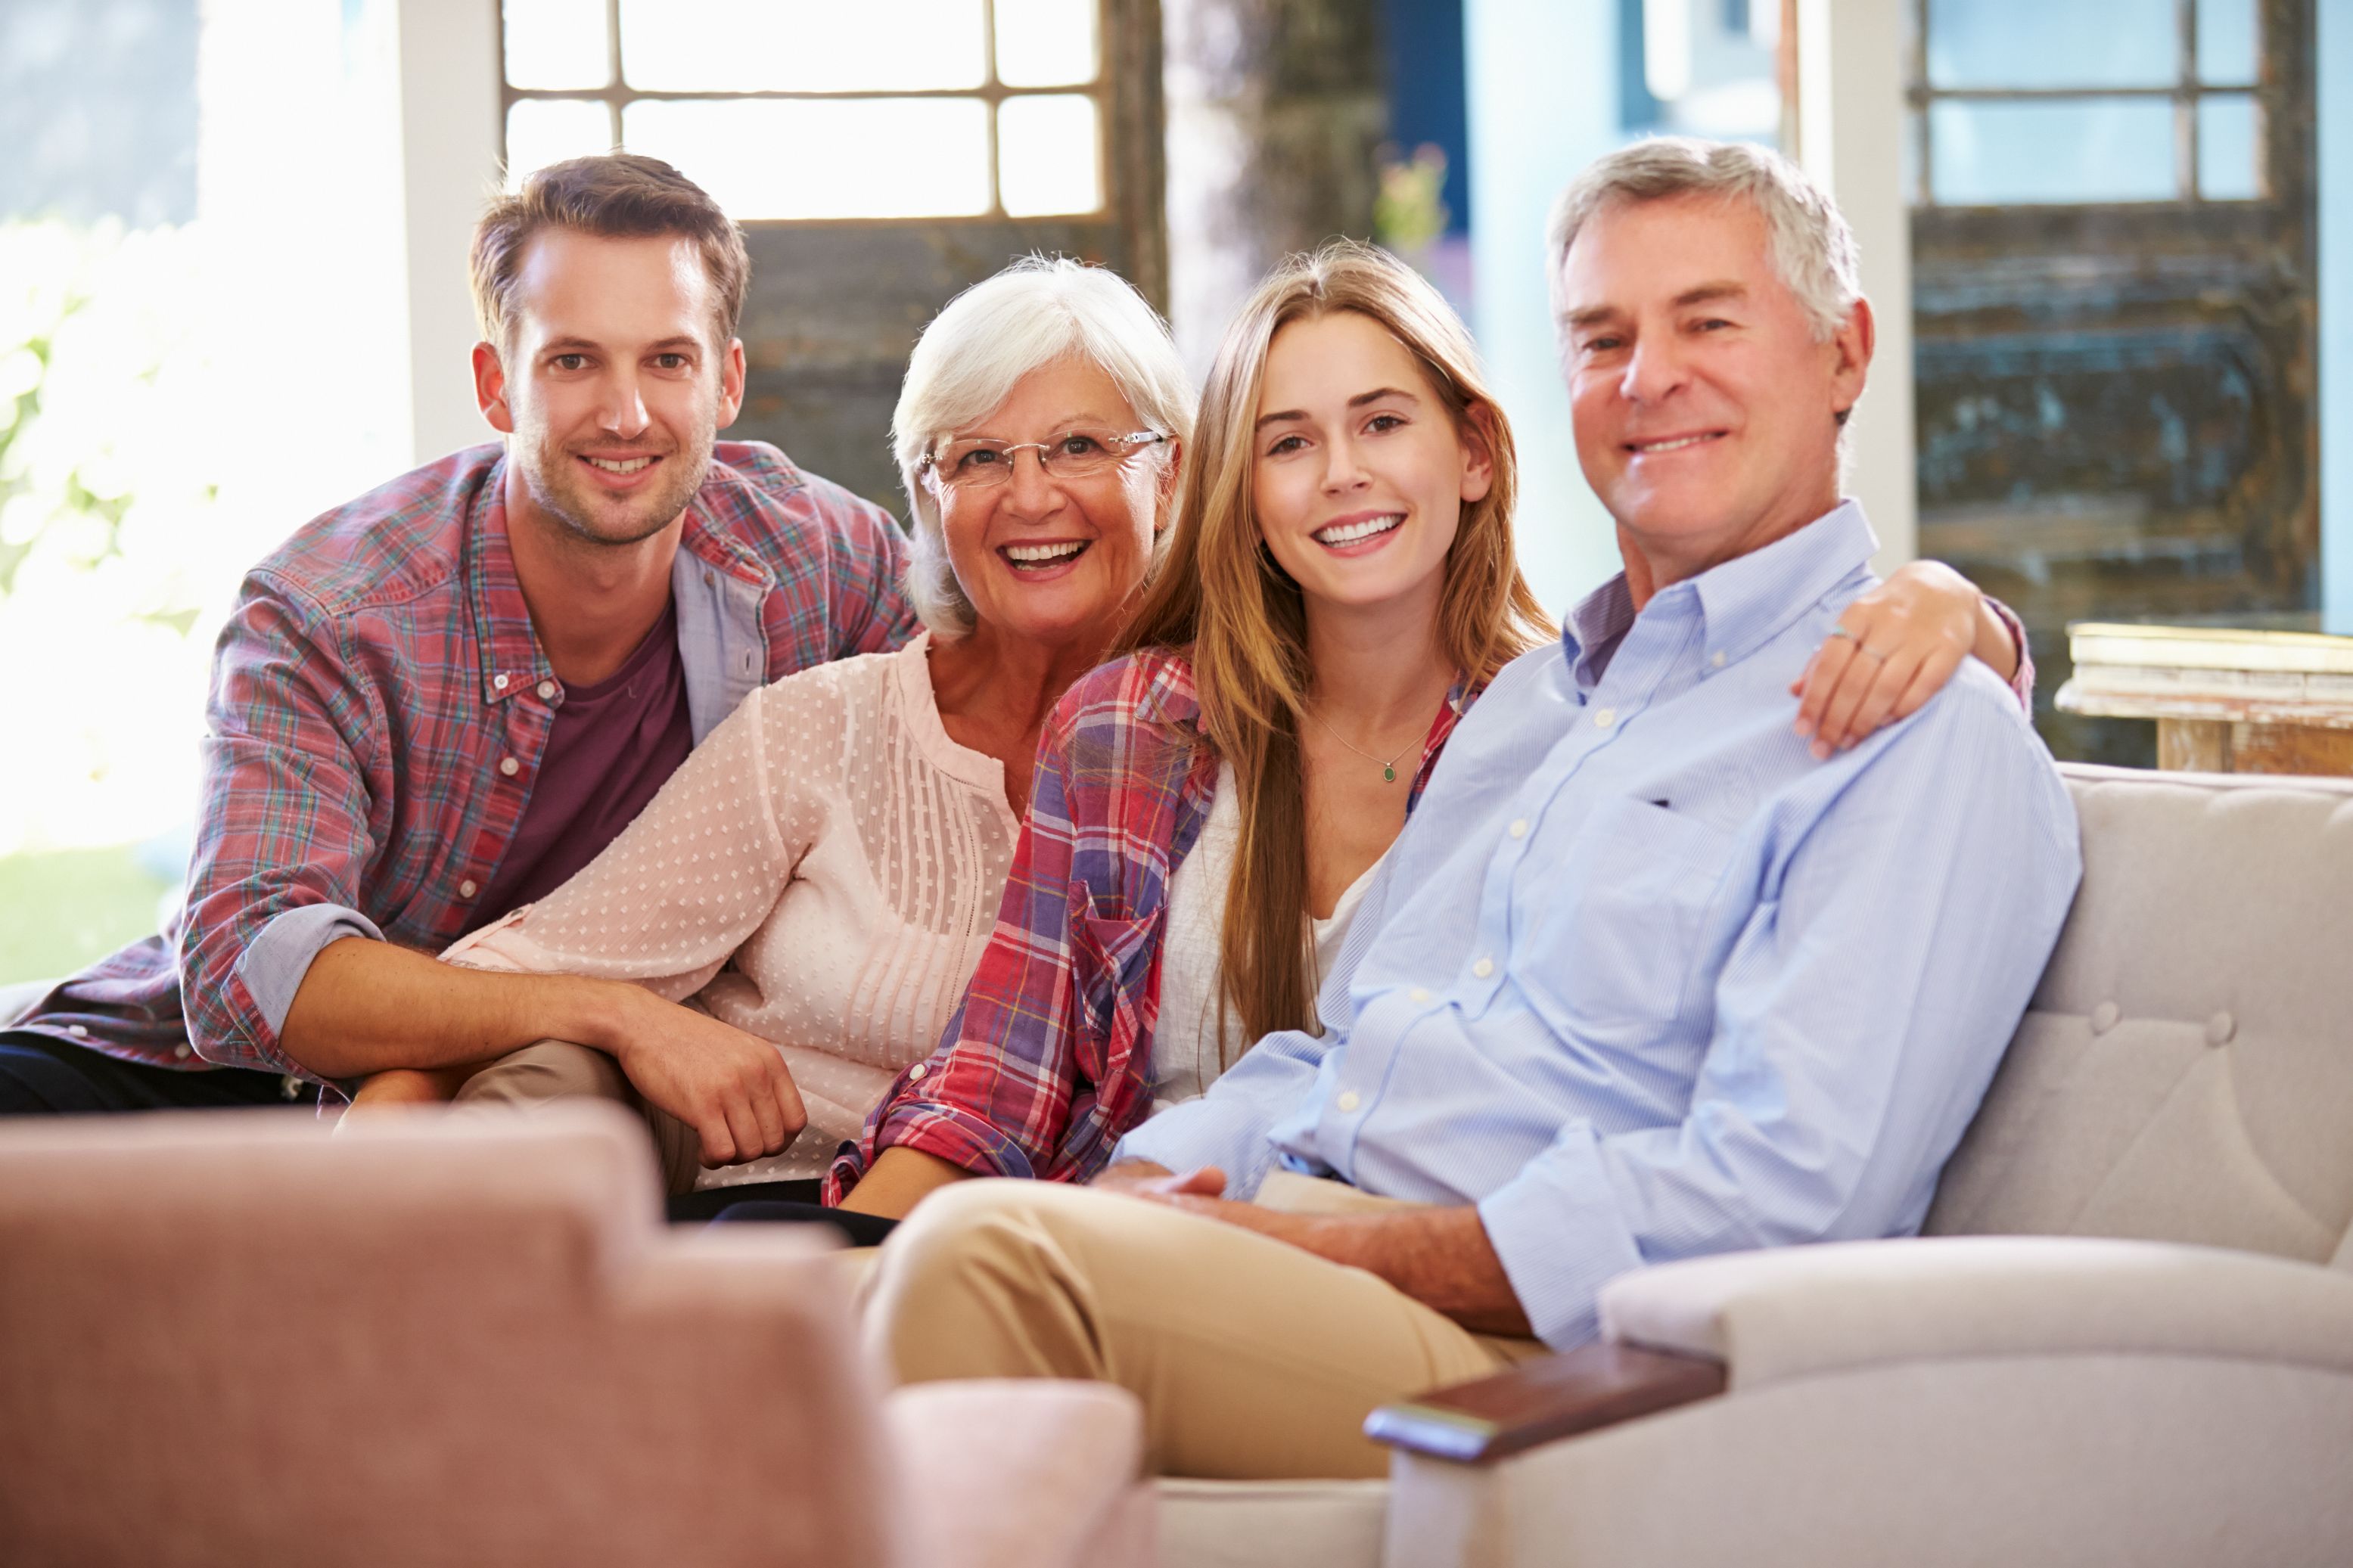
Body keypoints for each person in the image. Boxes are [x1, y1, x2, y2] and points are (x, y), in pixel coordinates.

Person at [855, 138, 2084, 1482]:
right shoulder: (1544, 711)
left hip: (1554, 1352)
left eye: (1707, 323)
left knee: (981, 1266)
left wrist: (1307, 1242)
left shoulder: (1918, 728)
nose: (1647, 377)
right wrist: (1154, 1184)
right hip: (1314, 1246)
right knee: (938, 1272)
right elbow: (1336, 1054)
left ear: (1844, 354)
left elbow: (1786, 1200)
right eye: (1602, 337)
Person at [831, 238, 2034, 1219]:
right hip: (1136, 1226)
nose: (1341, 474)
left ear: (1471, 453)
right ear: (1241, 496)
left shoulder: (1566, 728)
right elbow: (997, 1076)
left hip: (1386, 1257)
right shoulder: (1131, 728)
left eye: (1383, 424)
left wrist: (1963, 611)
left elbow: (1787, 722)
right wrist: (850, 1274)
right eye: (1288, 443)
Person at [0, 154, 914, 1149]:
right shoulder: (332, 611)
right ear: (495, 384)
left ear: (726, 379)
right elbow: (242, 963)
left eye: (667, 360)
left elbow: (987, 731)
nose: (625, 414)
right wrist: (610, 1011)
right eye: (573, 361)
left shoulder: (819, 562)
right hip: (226, 1082)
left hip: (534, 1100)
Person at [353, 259, 1192, 1212]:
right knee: (543, 1090)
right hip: (732, 1189)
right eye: (979, 457)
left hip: (980, 1226)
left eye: (1079, 446)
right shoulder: (822, 726)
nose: (1030, 496)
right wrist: (361, 1168)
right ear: (928, 496)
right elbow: (526, 971)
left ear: (1169, 476)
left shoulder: (1230, 746)